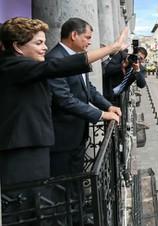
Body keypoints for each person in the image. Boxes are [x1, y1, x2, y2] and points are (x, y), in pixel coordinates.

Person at [0, 17, 127, 225]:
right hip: (22, 151)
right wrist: (112, 48)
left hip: (36, 146)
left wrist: (105, 106)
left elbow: (86, 89)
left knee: (39, 202)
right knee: (26, 207)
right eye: (38, 43)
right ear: (17, 47)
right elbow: (59, 74)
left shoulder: (25, 67)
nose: (45, 48)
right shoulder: (12, 66)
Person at [46, 17, 124, 178]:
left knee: (76, 180)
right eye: (87, 37)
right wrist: (101, 115)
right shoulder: (55, 58)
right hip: (62, 138)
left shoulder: (76, 57)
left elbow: (88, 89)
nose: (90, 42)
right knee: (64, 186)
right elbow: (64, 99)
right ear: (74, 35)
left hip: (77, 135)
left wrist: (108, 106)